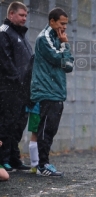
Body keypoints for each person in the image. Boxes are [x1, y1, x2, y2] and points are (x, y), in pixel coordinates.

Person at [30, 7, 74, 177]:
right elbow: (59, 59)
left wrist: (64, 47)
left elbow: (68, 66)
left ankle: (43, 163)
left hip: (56, 91)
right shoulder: (44, 38)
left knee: (51, 129)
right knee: (45, 129)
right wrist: (65, 45)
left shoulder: (58, 37)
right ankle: (42, 165)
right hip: (46, 91)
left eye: (66, 24)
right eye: (61, 24)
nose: (64, 28)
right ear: (52, 21)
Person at [0, 1, 33, 171]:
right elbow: (5, 61)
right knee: (7, 123)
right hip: (9, 89)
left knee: (19, 124)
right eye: (21, 15)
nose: (24, 18)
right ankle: (3, 158)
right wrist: (17, 81)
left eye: (26, 15)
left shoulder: (20, 35)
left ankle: (14, 158)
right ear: (11, 14)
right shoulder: (4, 33)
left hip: (23, 90)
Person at [26, 102, 40, 173]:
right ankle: (34, 164)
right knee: (35, 133)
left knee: (41, 134)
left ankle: (38, 164)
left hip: (41, 108)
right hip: (36, 109)